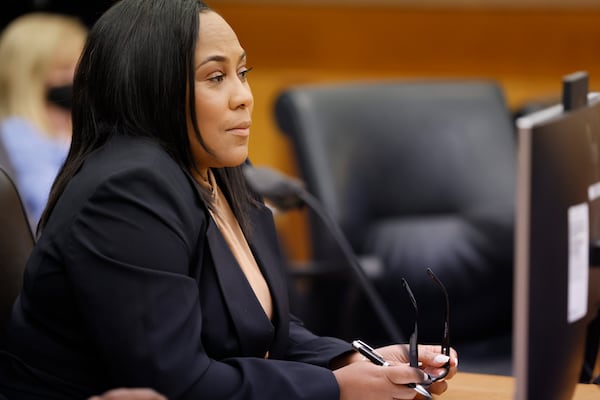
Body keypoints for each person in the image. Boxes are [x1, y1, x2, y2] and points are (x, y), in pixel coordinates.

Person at [0, 1, 458, 399]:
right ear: (151, 87)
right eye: (215, 77)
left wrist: (354, 361)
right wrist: (335, 389)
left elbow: (256, 329)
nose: (244, 97)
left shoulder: (217, 171)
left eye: (242, 73)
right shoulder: (128, 190)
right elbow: (175, 384)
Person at [0, 12, 87, 228]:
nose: (78, 76)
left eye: (82, 65)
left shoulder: (74, 126)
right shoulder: (18, 136)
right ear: (29, 75)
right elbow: (47, 207)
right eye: (65, 68)